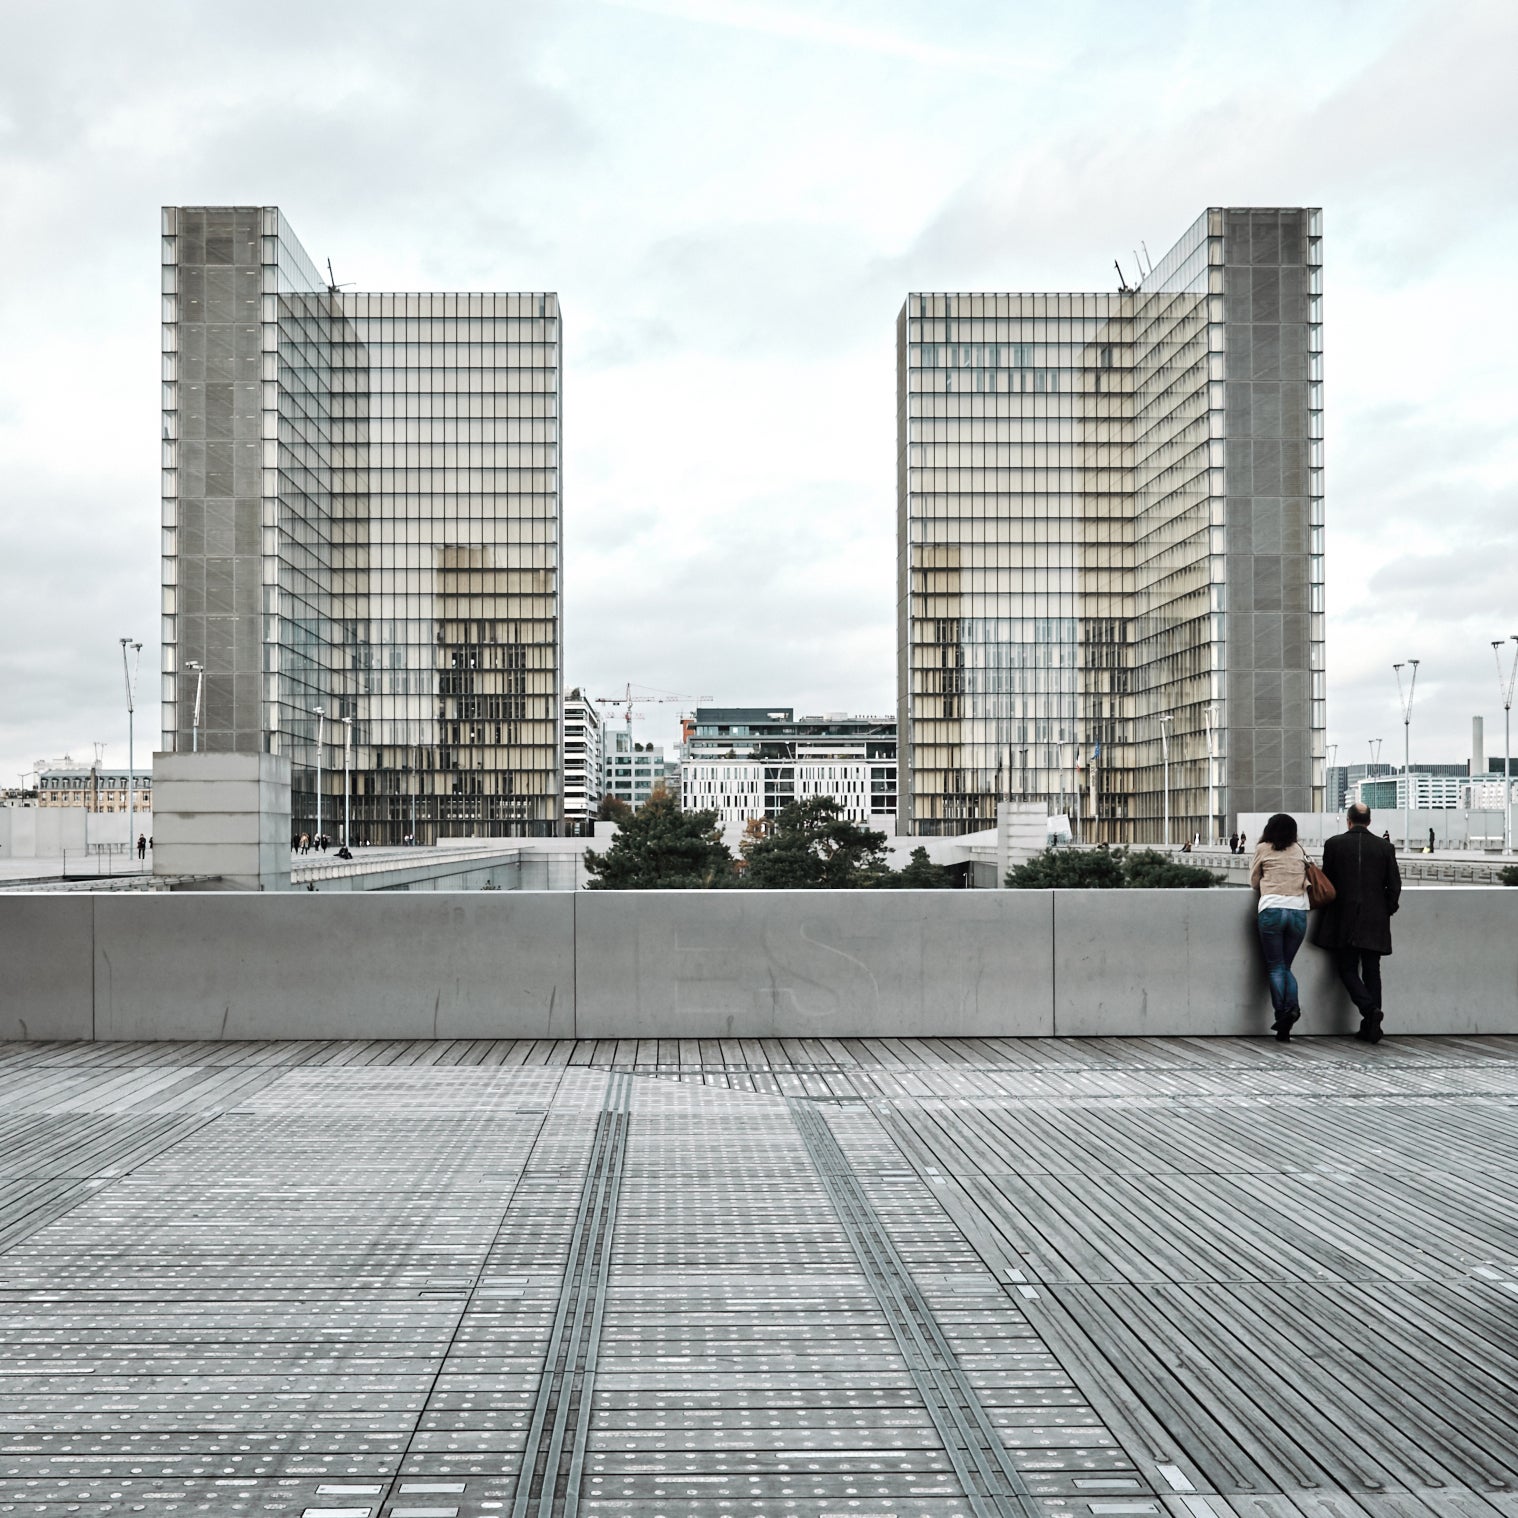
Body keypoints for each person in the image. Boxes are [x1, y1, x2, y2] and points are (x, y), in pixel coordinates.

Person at [1314, 803, 1401, 1043]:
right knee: (1373, 971)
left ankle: (1369, 1011)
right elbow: (1394, 885)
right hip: (1376, 918)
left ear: (1348, 820)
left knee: (1347, 968)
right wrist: (1387, 909)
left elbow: (1327, 882)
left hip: (1343, 916)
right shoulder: (1385, 847)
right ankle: (1371, 1026)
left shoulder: (1334, 844)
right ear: (1369, 821)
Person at [1250, 814, 1312, 1041]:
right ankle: (1292, 1009)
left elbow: (1254, 882)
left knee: (1276, 967)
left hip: (1272, 909)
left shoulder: (1263, 849)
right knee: (1286, 966)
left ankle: (1283, 1014)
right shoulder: (1298, 850)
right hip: (1297, 911)